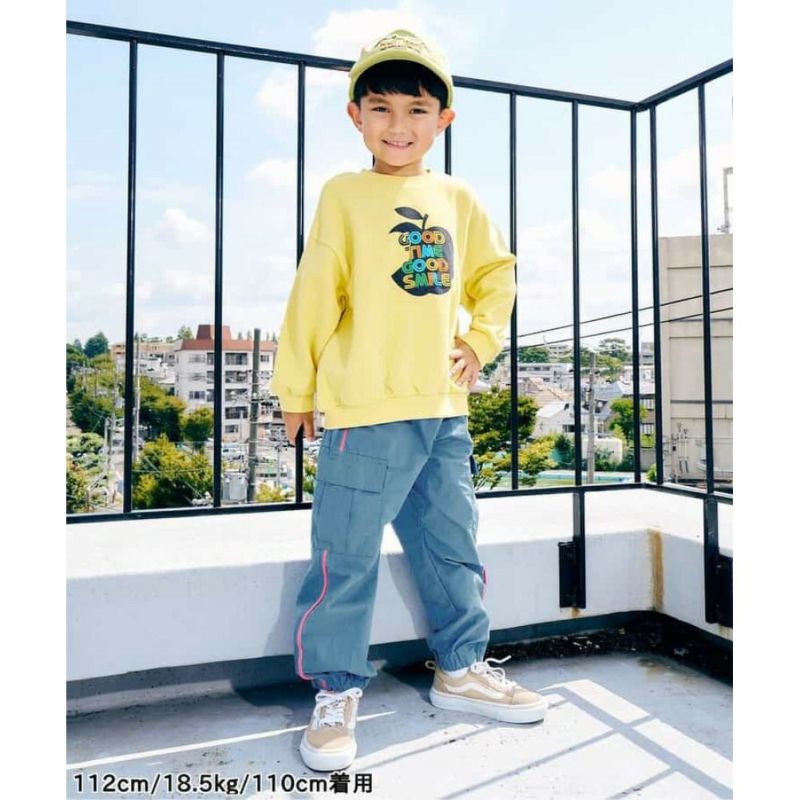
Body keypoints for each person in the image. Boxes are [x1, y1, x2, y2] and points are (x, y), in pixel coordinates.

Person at [271, 28, 547, 773]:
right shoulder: (344, 196)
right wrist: (296, 389)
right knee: (346, 556)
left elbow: (495, 273)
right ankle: (336, 691)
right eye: (382, 108)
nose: (399, 125)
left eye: (417, 110)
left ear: (443, 120)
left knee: (452, 544)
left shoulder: (457, 198)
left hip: (444, 410)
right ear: (356, 116)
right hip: (363, 412)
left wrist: (480, 341)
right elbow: (314, 295)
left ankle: (461, 668)